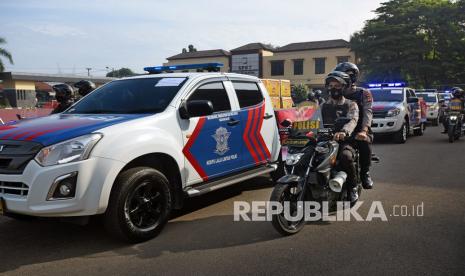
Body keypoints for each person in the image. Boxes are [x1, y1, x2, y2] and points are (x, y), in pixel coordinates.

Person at [334, 62, 374, 189]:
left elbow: (368, 112)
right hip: (338, 131)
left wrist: (364, 130)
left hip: (358, 130)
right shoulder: (335, 93)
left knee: (364, 142)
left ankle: (364, 173)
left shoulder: (363, 93)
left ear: (352, 77)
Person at [321, 71, 360, 202]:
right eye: (331, 85)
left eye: (337, 85)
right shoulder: (322, 105)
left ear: (344, 87)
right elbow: (312, 119)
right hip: (324, 140)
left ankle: (352, 187)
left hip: (344, 141)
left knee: (346, 157)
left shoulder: (351, 104)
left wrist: (344, 131)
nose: (334, 88)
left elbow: (352, 120)